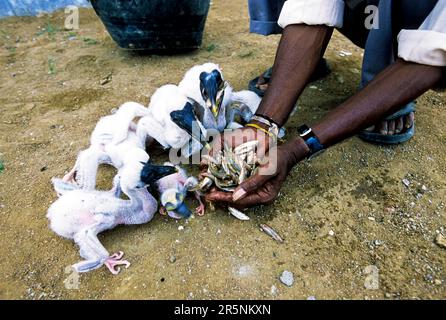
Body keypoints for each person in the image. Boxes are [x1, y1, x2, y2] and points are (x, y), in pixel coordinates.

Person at [204, 0, 446, 207]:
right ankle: (305, 63)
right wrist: (263, 123)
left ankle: (387, 74)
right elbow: (314, 4)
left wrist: (298, 148)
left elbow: (439, 50)